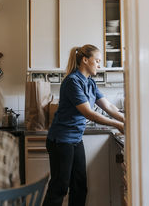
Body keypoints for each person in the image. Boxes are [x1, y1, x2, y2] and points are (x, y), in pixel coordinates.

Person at [42, 44, 125, 206]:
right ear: (85, 60)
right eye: (98, 61)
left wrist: (127, 121)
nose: (99, 65)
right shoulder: (73, 81)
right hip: (61, 140)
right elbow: (88, 113)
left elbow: (109, 107)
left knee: (80, 186)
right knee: (60, 187)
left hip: (75, 139)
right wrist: (117, 124)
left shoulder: (90, 83)